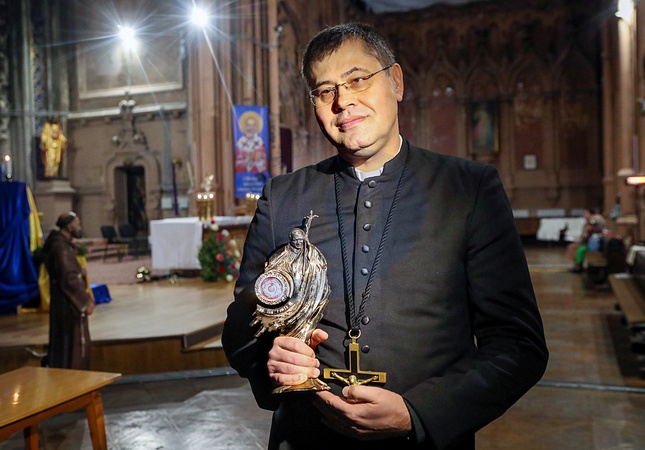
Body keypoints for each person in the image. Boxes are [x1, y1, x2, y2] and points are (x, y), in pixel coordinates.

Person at [222, 23, 548, 450]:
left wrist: (420, 413)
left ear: (396, 82)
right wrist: (272, 358)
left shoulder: (469, 189)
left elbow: (518, 345)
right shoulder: (283, 197)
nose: (343, 101)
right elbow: (240, 330)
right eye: (324, 91)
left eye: (358, 79)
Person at [43, 211, 95, 369]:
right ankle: (74, 376)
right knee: (72, 342)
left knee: (65, 342)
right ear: (69, 225)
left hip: (63, 300)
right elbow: (68, 278)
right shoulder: (61, 247)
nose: (79, 226)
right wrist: (85, 302)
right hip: (69, 302)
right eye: (77, 223)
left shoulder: (61, 244)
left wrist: (79, 270)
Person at [568, 208, 606, 273]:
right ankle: (577, 264)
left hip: (593, 242)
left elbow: (592, 228)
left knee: (578, 249)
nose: (584, 215)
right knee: (573, 247)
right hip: (587, 241)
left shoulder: (596, 219)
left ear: (590, 214)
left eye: (586, 214)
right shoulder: (588, 222)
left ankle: (579, 266)